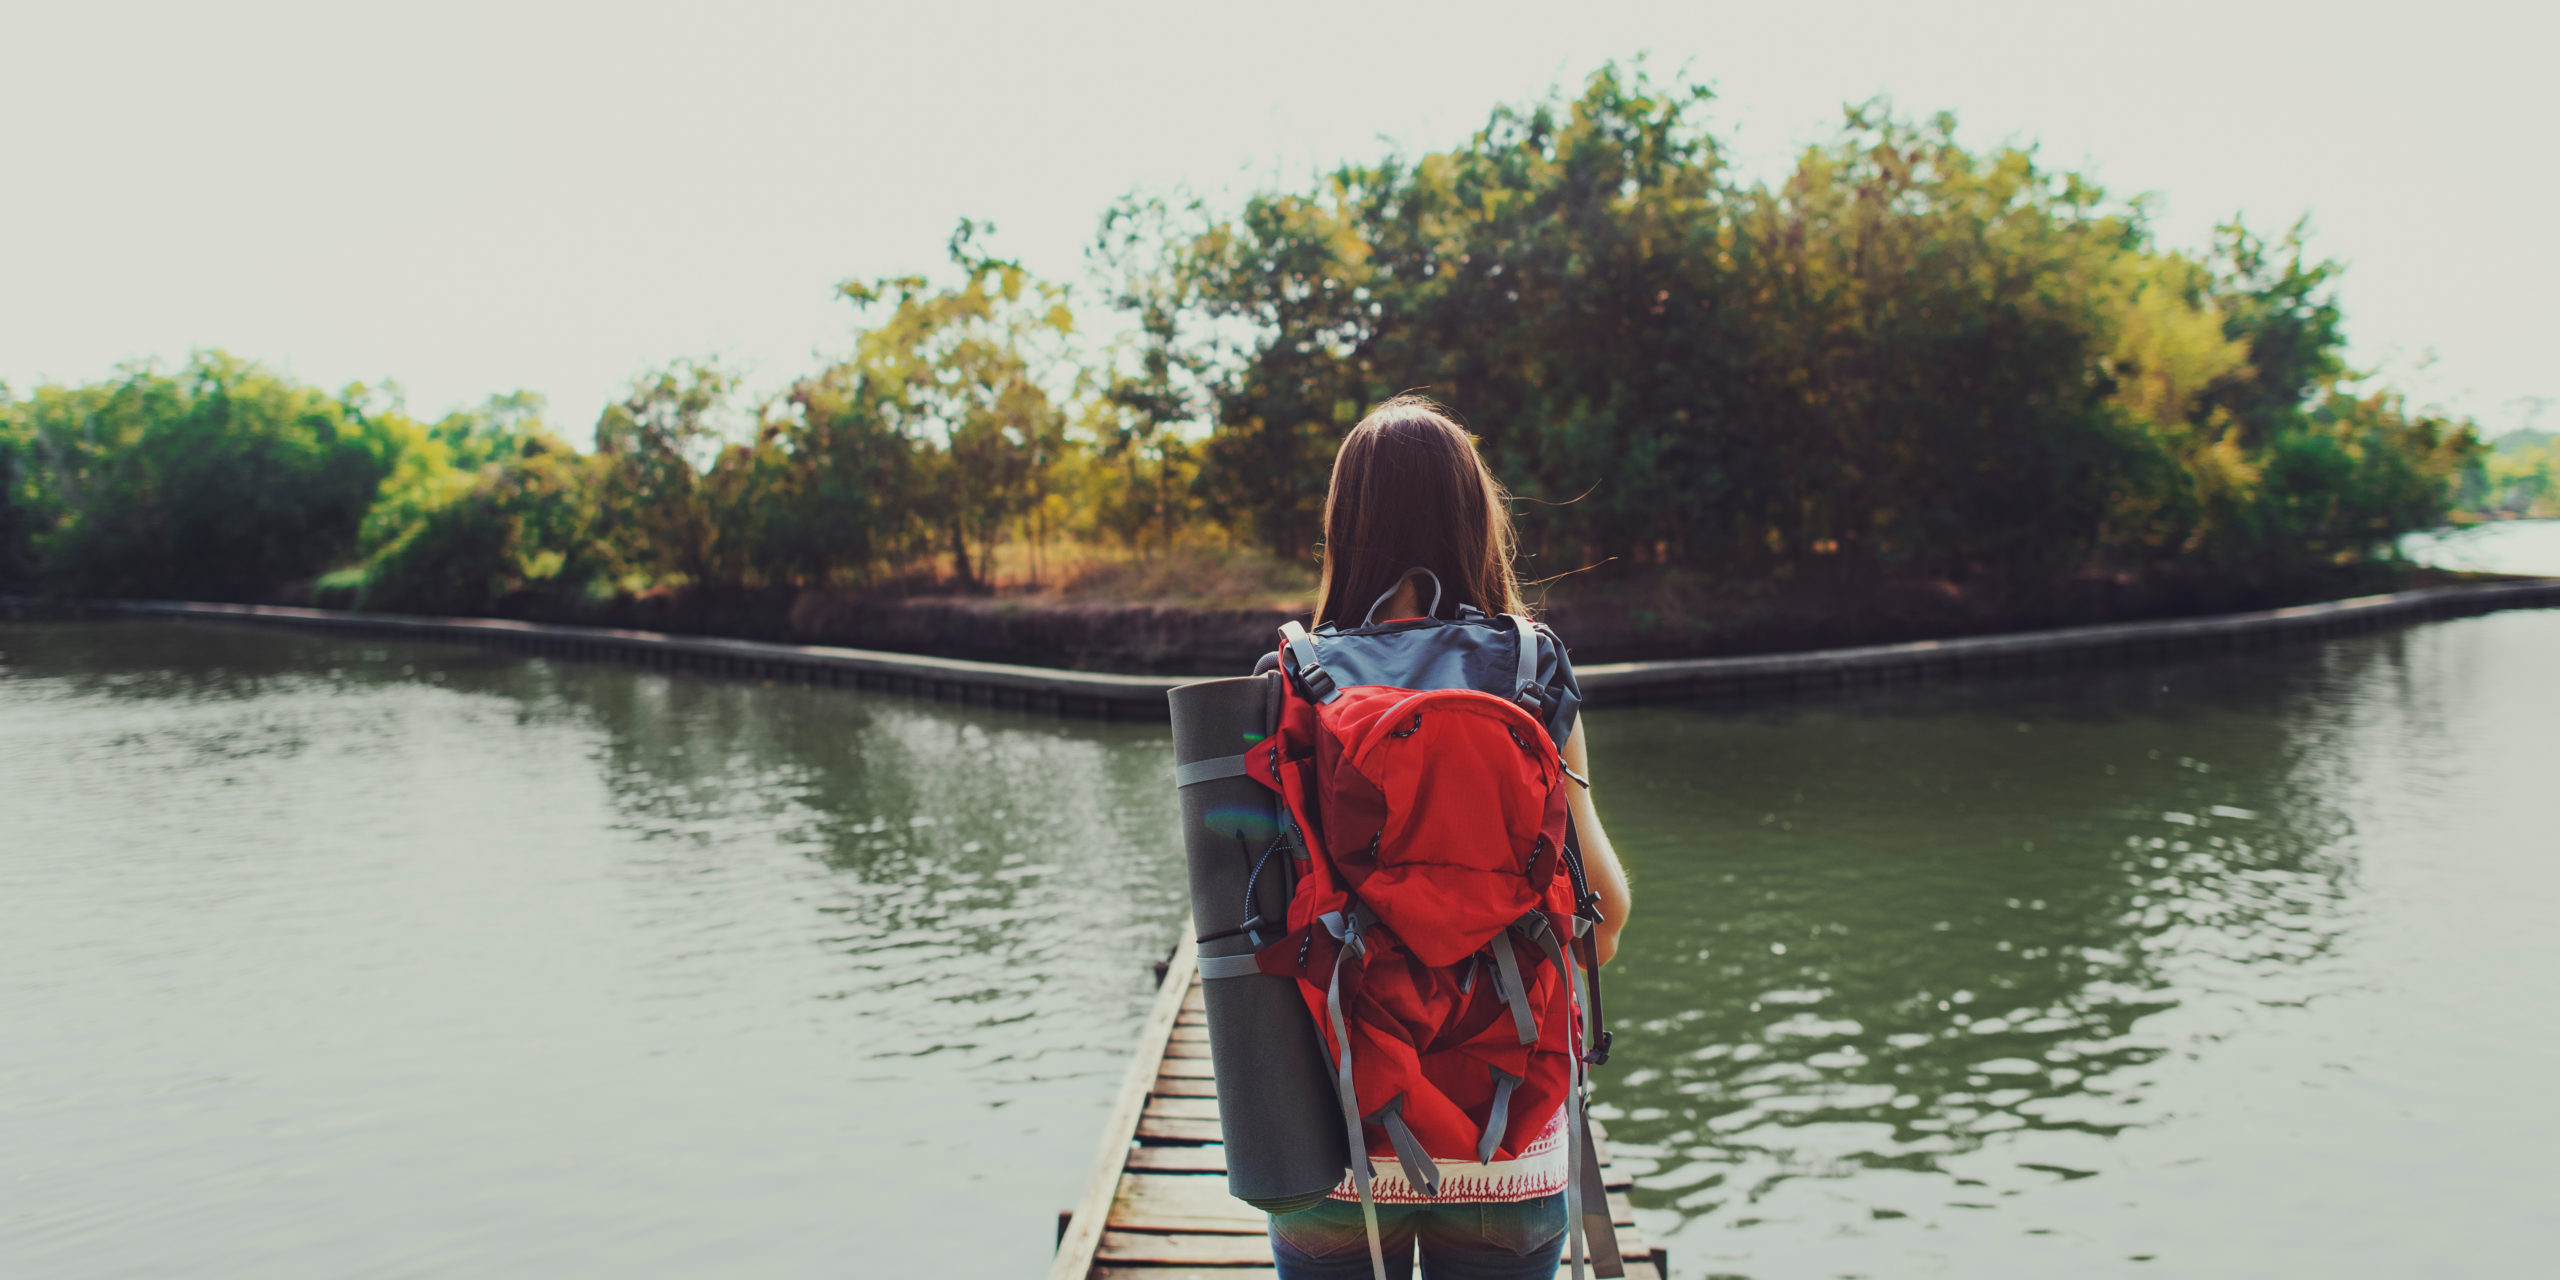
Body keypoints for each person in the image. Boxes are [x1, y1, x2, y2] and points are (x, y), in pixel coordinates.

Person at [1264, 394, 1633, 1280]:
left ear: (1343, 527)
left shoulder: (1291, 680)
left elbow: (1255, 931)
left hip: (1337, 1132)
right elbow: (1604, 916)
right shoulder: (1531, 666)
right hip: (1506, 1124)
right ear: (1478, 517)